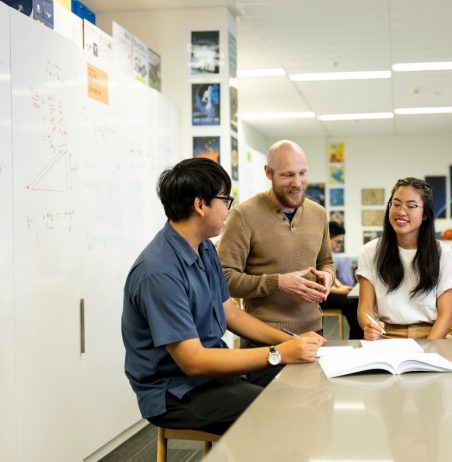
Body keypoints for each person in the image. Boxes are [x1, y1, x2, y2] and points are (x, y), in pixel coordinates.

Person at [121, 158, 325, 435]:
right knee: (280, 411)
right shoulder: (159, 272)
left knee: (300, 395)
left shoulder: (204, 249)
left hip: (210, 378)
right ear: (200, 204)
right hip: (173, 392)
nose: (229, 209)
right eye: (225, 200)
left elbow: (230, 313)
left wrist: (292, 342)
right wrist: (279, 353)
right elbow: (192, 361)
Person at [217, 140, 335, 345]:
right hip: (262, 337)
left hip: (314, 332)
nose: (297, 182)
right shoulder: (242, 215)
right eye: (288, 175)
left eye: (302, 173)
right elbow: (224, 280)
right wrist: (278, 283)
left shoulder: (319, 214)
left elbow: (326, 262)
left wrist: (328, 276)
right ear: (268, 172)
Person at [356, 177, 452, 340]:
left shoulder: (443, 254)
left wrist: (427, 349)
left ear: (425, 213)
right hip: (385, 336)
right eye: (396, 204)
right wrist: (369, 325)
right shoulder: (370, 252)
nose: (401, 212)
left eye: (411, 206)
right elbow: (365, 308)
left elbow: (445, 318)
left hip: (431, 335)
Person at [319, 221, 363, 339]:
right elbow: (319, 284)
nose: (339, 245)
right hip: (319, 296)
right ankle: (356, 338)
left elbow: (332, 277)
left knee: (356, 301)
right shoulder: (318, 253)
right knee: (351, 304)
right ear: (327, 238)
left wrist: (342, 287)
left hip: (327, 291)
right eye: (337, 242)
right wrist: (341, 291)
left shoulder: (330, 255)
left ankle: (357, 336)